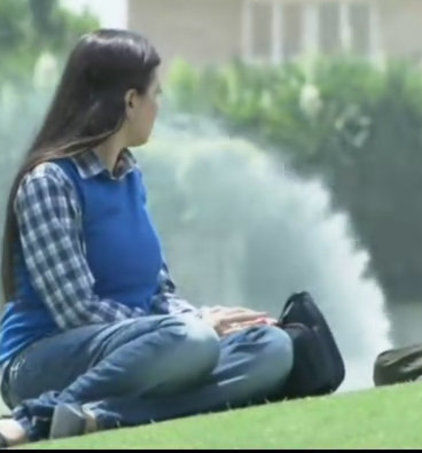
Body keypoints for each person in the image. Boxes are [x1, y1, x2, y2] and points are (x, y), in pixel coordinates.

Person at [0, 29, 293, 447]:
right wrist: (188, 327)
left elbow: (159, 293)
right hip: (40, 360)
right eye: (156, 93)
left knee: (272, 347)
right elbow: (76, 310)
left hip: (143, 346)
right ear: (130, 101)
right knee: (191, 340)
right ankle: (39, 418)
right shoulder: (50, 182)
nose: (159, 105)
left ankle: (101, 417)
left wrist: (207, 318)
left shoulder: (129, 176)